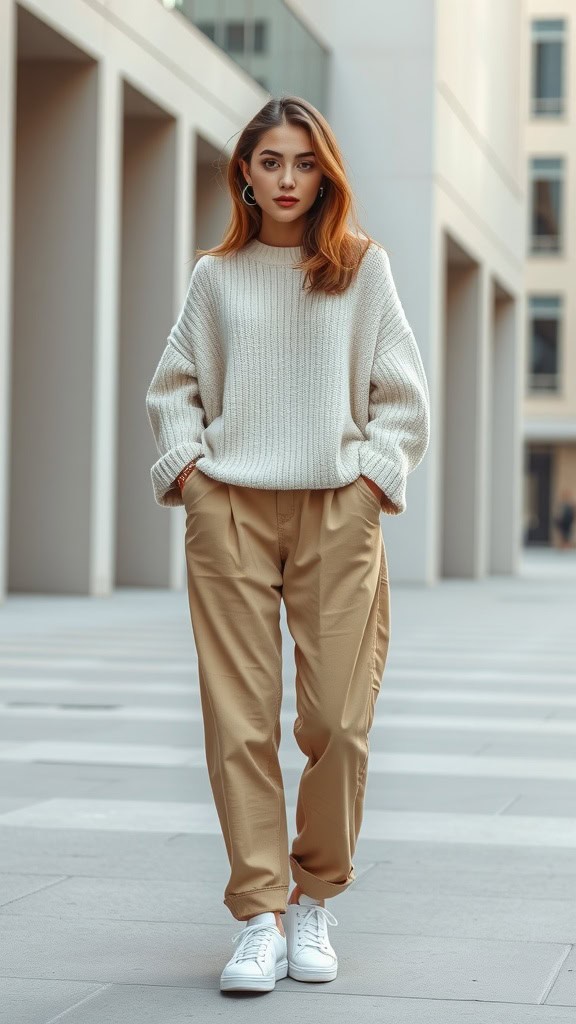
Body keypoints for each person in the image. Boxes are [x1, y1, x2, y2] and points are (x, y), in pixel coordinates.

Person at [145, 95, 430, 994]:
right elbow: (172, 388)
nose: (287, 180)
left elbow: (403, 393)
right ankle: (261, 913)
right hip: (229, 506)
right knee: (240, 721)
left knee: (339, 722)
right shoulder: (215, 277)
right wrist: (191, 474)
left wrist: (373, 477)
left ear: (326, 172)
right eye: (270, 162)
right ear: (245, 171)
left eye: (304, 163)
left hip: (335, 509)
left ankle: (317, 895)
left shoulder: (363, 271)